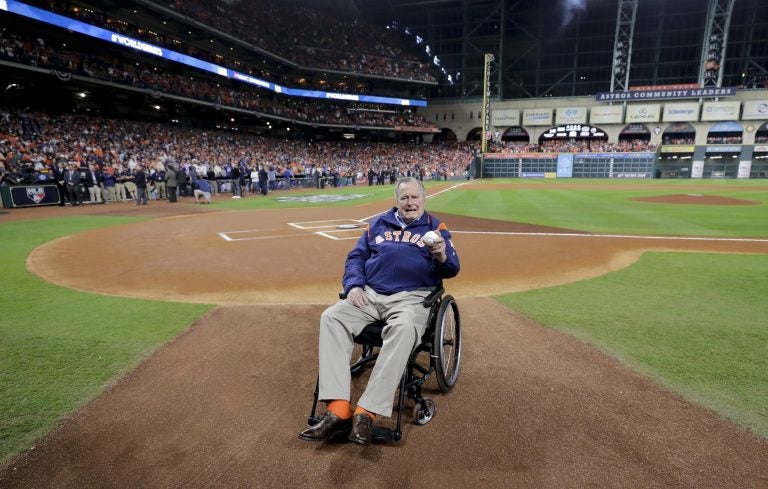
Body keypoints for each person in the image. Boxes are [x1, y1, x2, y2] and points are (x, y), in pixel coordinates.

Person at [299, 177, 460, 446]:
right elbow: (356, 257)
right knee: (332, 317)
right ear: (397, 201)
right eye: (404, 198)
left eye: (414, 197)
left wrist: (442, 256)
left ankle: (366, 413)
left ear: (424, 199)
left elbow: (452, 268)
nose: (410, 203)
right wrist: (353, 286)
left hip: (411, 298)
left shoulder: (436, 228)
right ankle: (338, 410)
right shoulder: (377, 224)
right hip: (371, 295)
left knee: (405, 328)